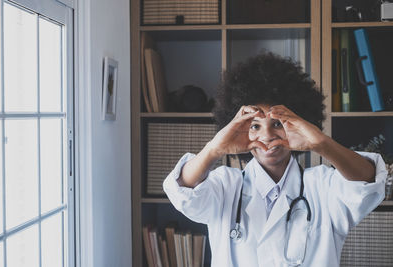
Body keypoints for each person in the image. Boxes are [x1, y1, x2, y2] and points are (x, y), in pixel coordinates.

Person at [163, 52, 387, 267]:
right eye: (255, 126)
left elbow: (367, 182)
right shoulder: (225, 186)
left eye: (278, 123)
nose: (268, 136)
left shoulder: (322, 186)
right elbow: (184, 191)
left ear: (301, 124)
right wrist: (215, 148)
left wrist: (321, 143)